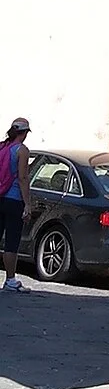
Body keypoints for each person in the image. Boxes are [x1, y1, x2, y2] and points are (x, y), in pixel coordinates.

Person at [0, 118, 29, 293]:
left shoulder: (1, 147)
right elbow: (23, 178)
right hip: (14, 199)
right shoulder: (22, 150)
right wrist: (28, 205)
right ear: (24, 133)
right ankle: (10, 280)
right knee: (11, 241)